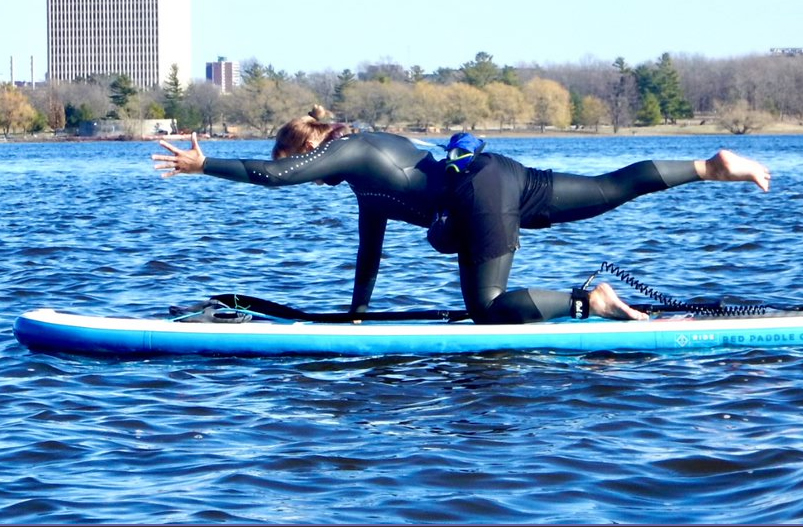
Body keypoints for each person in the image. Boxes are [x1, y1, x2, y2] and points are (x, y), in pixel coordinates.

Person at [152, 106, 771, 324]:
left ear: (309, 147)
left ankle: (591, 302)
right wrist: (356, 317)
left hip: (480, 195)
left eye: (301, 163)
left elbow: (270, 177)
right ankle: (712, 167)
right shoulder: (364, 174)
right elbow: (371, 250)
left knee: (486, 308)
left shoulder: (350, 149)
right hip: (495, 175)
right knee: (609, 190)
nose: (306, 179)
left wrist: (202, 167)